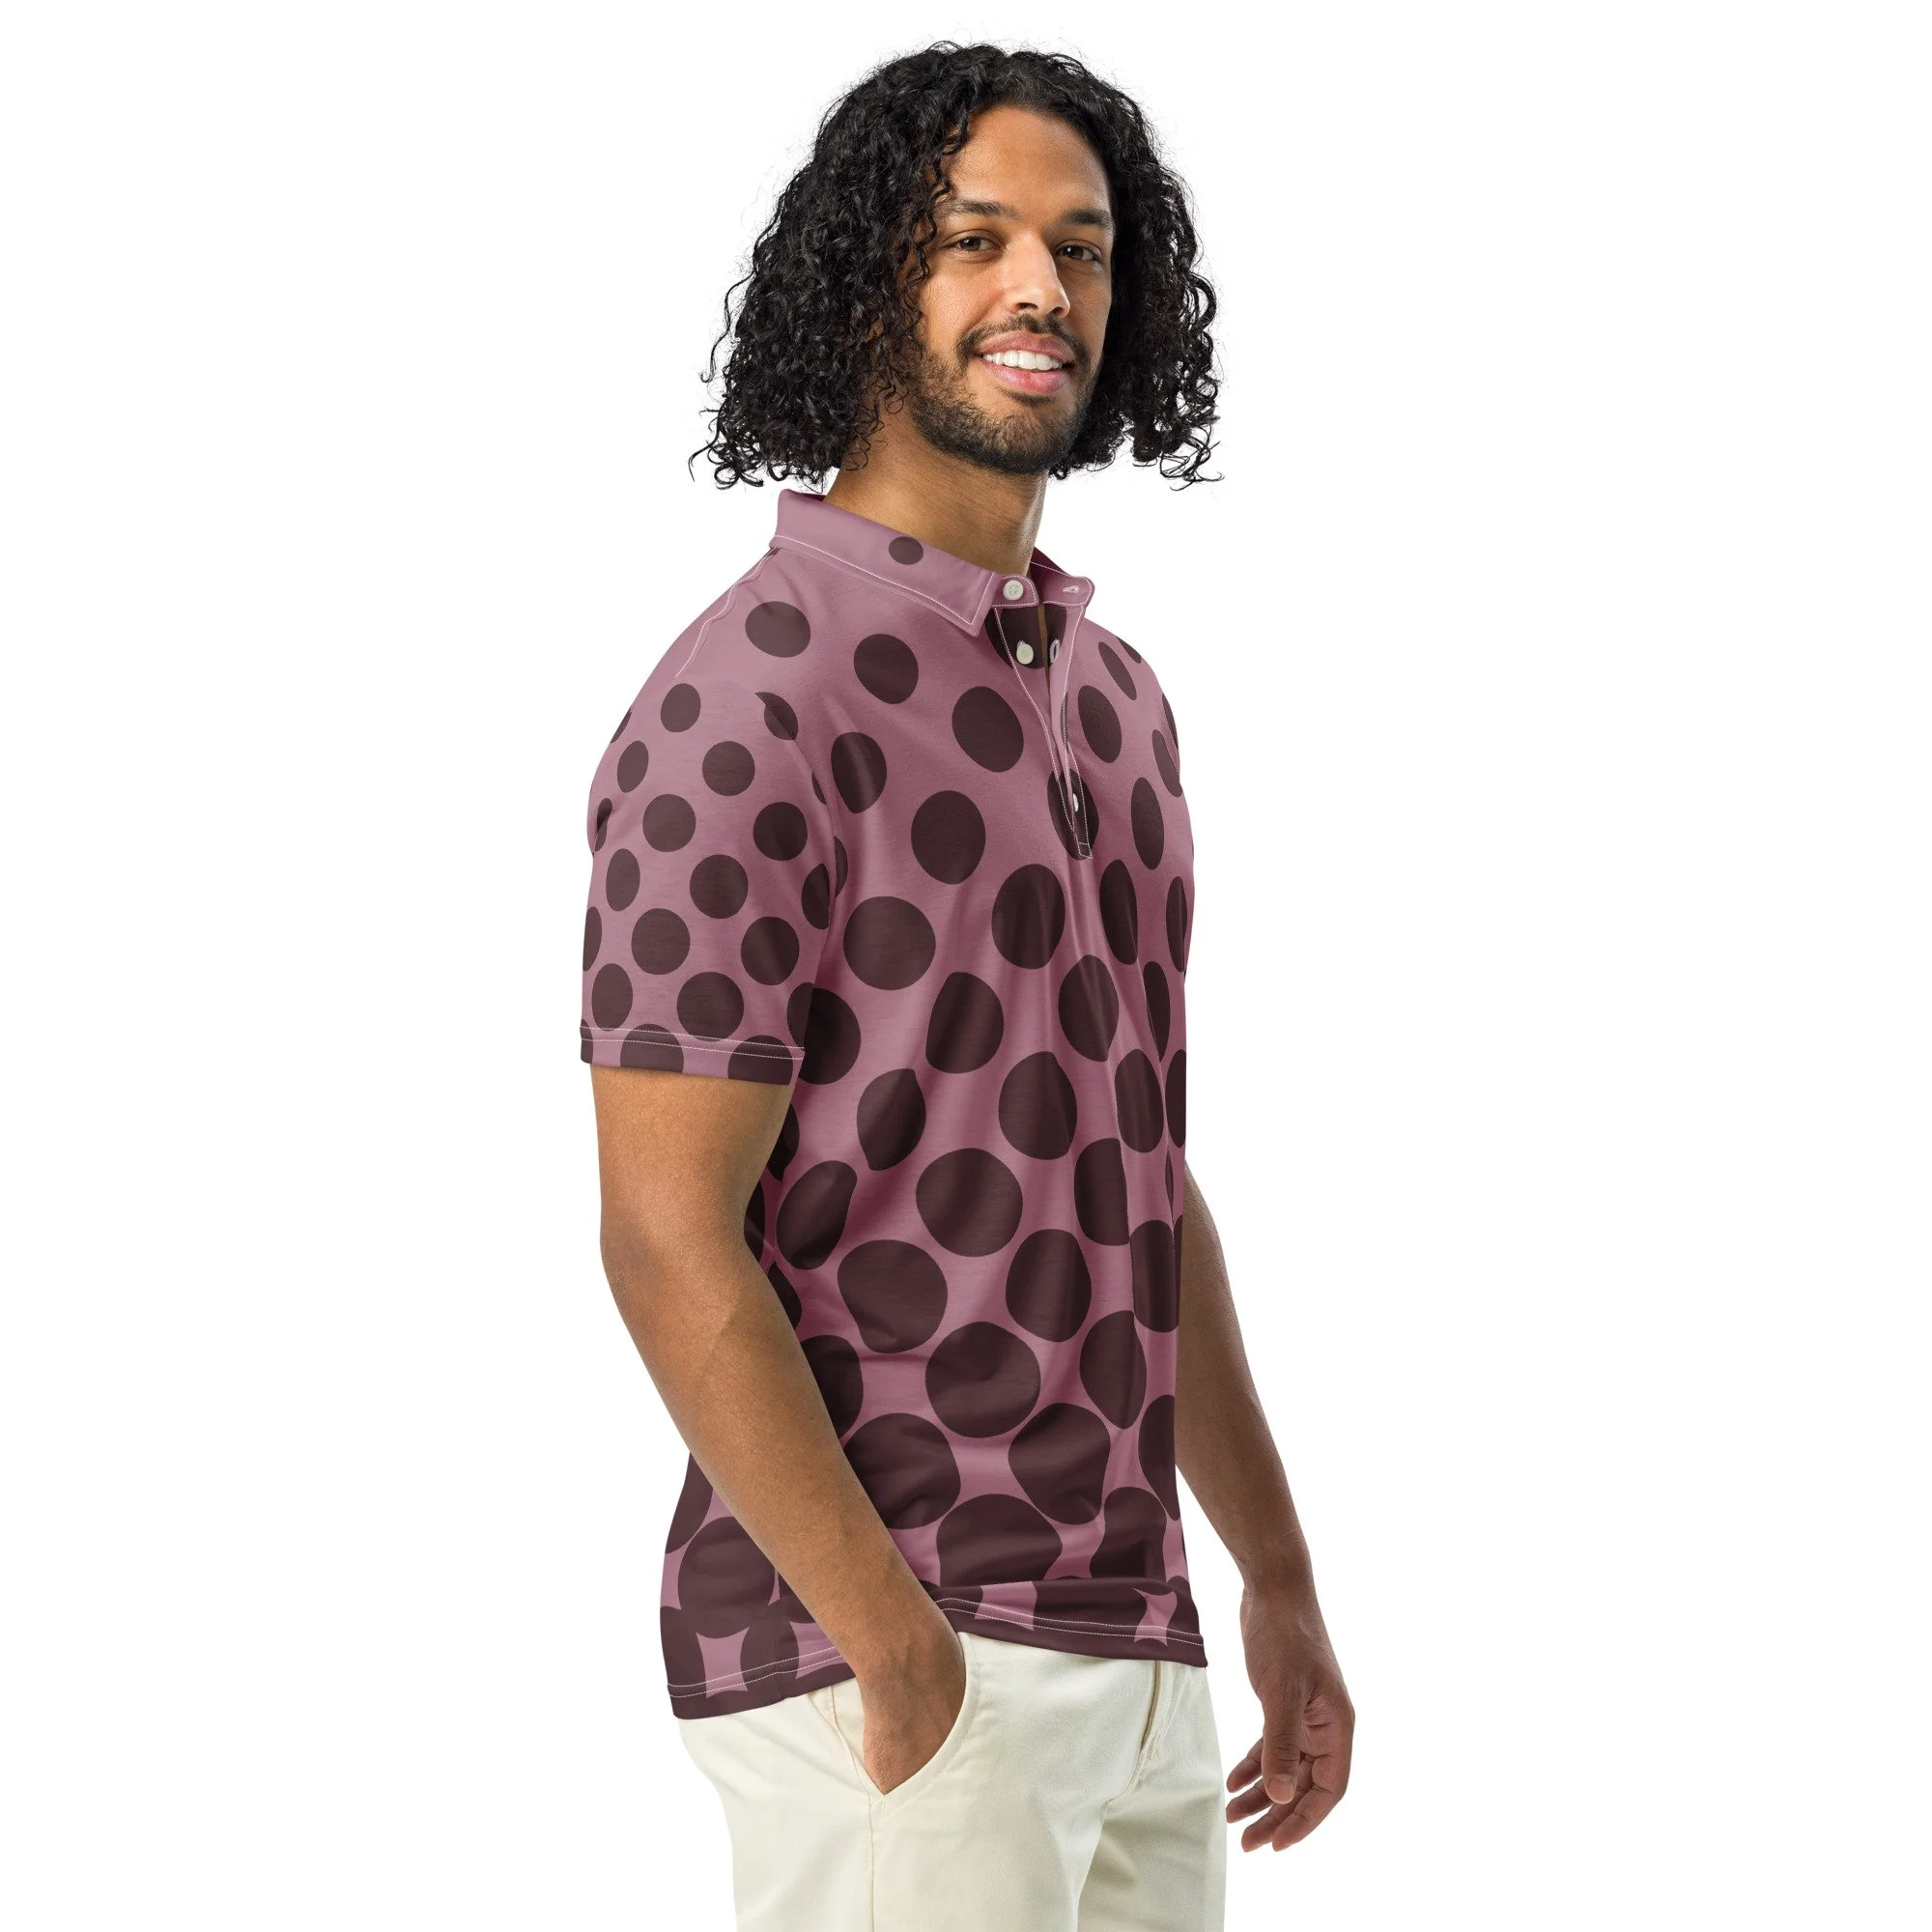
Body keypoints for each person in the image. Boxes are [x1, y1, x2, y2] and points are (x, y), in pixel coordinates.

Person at [580, 42, 1353, 1931]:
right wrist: (898, 1650)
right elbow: (664, 1235)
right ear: (867, 281)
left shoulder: (1114, 699)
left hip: (1134, 1643)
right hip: (899, 1649)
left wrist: (1271, 1576)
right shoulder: (747, 698)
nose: (1040, 288)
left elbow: (1137, 1176)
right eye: (973, 239)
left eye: (1081, 248)